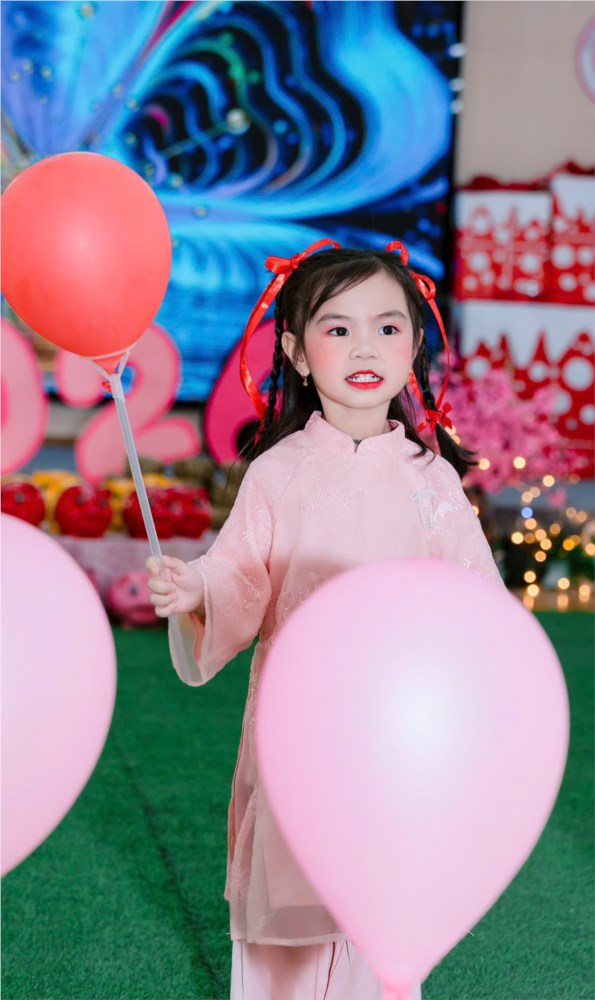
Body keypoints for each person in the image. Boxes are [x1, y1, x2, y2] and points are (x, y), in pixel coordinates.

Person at [147, 240, 504, 1000]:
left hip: (396, 733)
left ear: (415, 345)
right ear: (295, 353)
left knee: (381, 896)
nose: (365, 347)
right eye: (337, 328)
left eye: (386, 327)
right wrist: (197, 586)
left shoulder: (431, 479)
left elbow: (478, 603)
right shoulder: (278, 472)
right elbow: (241, 570)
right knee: (295, 887)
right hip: (300, 727)